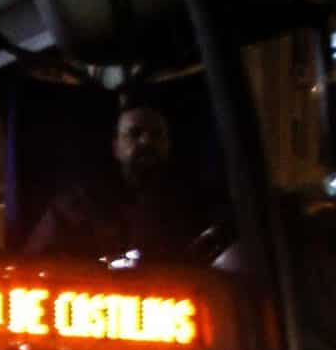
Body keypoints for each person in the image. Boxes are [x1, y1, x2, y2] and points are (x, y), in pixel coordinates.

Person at [25, 99, 219, 261]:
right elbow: (40, 263)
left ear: (168, 145)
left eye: (157, 135)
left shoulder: (196, 205)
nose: (146, 141)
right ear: (116, 147)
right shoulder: (76, 206)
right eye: (134, 134)